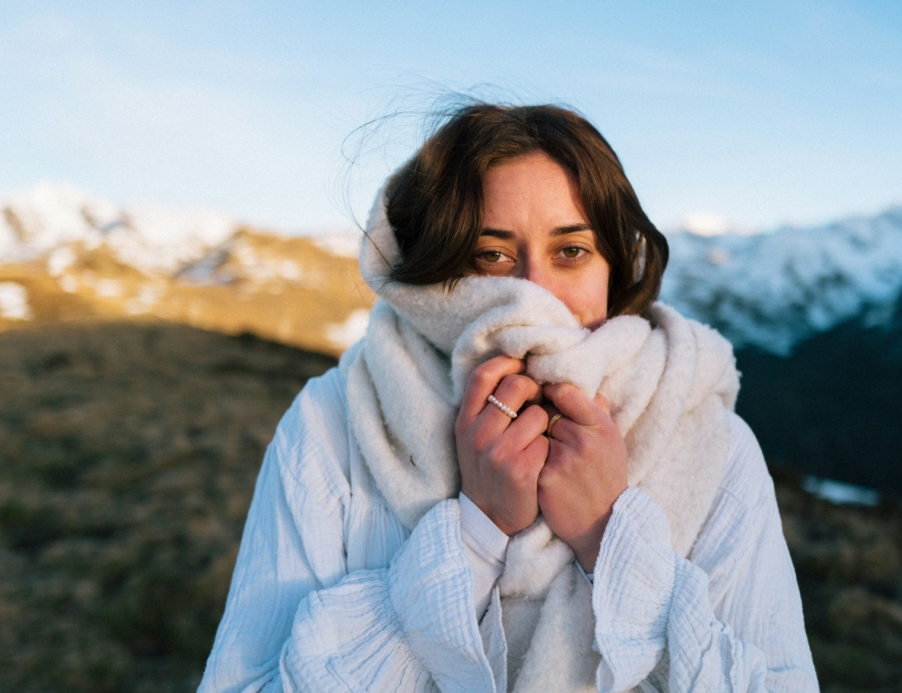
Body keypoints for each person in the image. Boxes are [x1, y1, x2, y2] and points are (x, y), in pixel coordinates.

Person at [199, 103, 819, 692]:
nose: (534, 297)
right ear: (434, 275)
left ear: (615, 267)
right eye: (491, 256)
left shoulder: (707, 440)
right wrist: (473, 534)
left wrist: (610, 540)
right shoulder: (336, 422)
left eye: (571, 252)